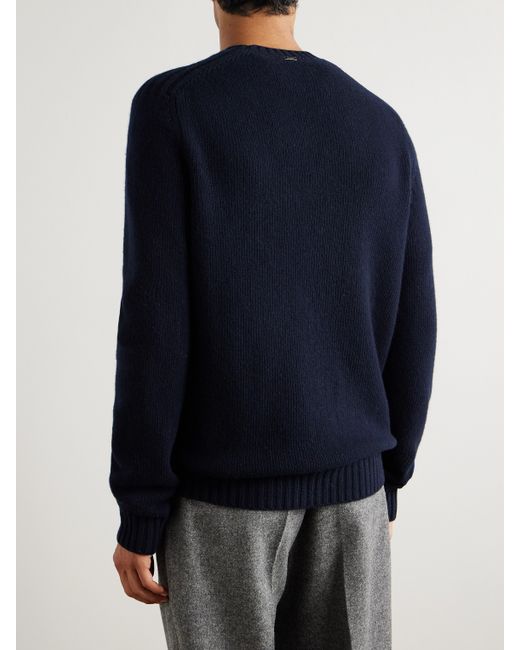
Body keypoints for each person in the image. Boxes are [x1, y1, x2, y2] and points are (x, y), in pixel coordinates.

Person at [109, 0, 437, 648]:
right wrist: (388, 477)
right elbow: (416, 320)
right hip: (354, 495)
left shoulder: (174, 108)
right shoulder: (379, 123)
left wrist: (140, 507)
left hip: (219, 502)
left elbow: (155, 325)